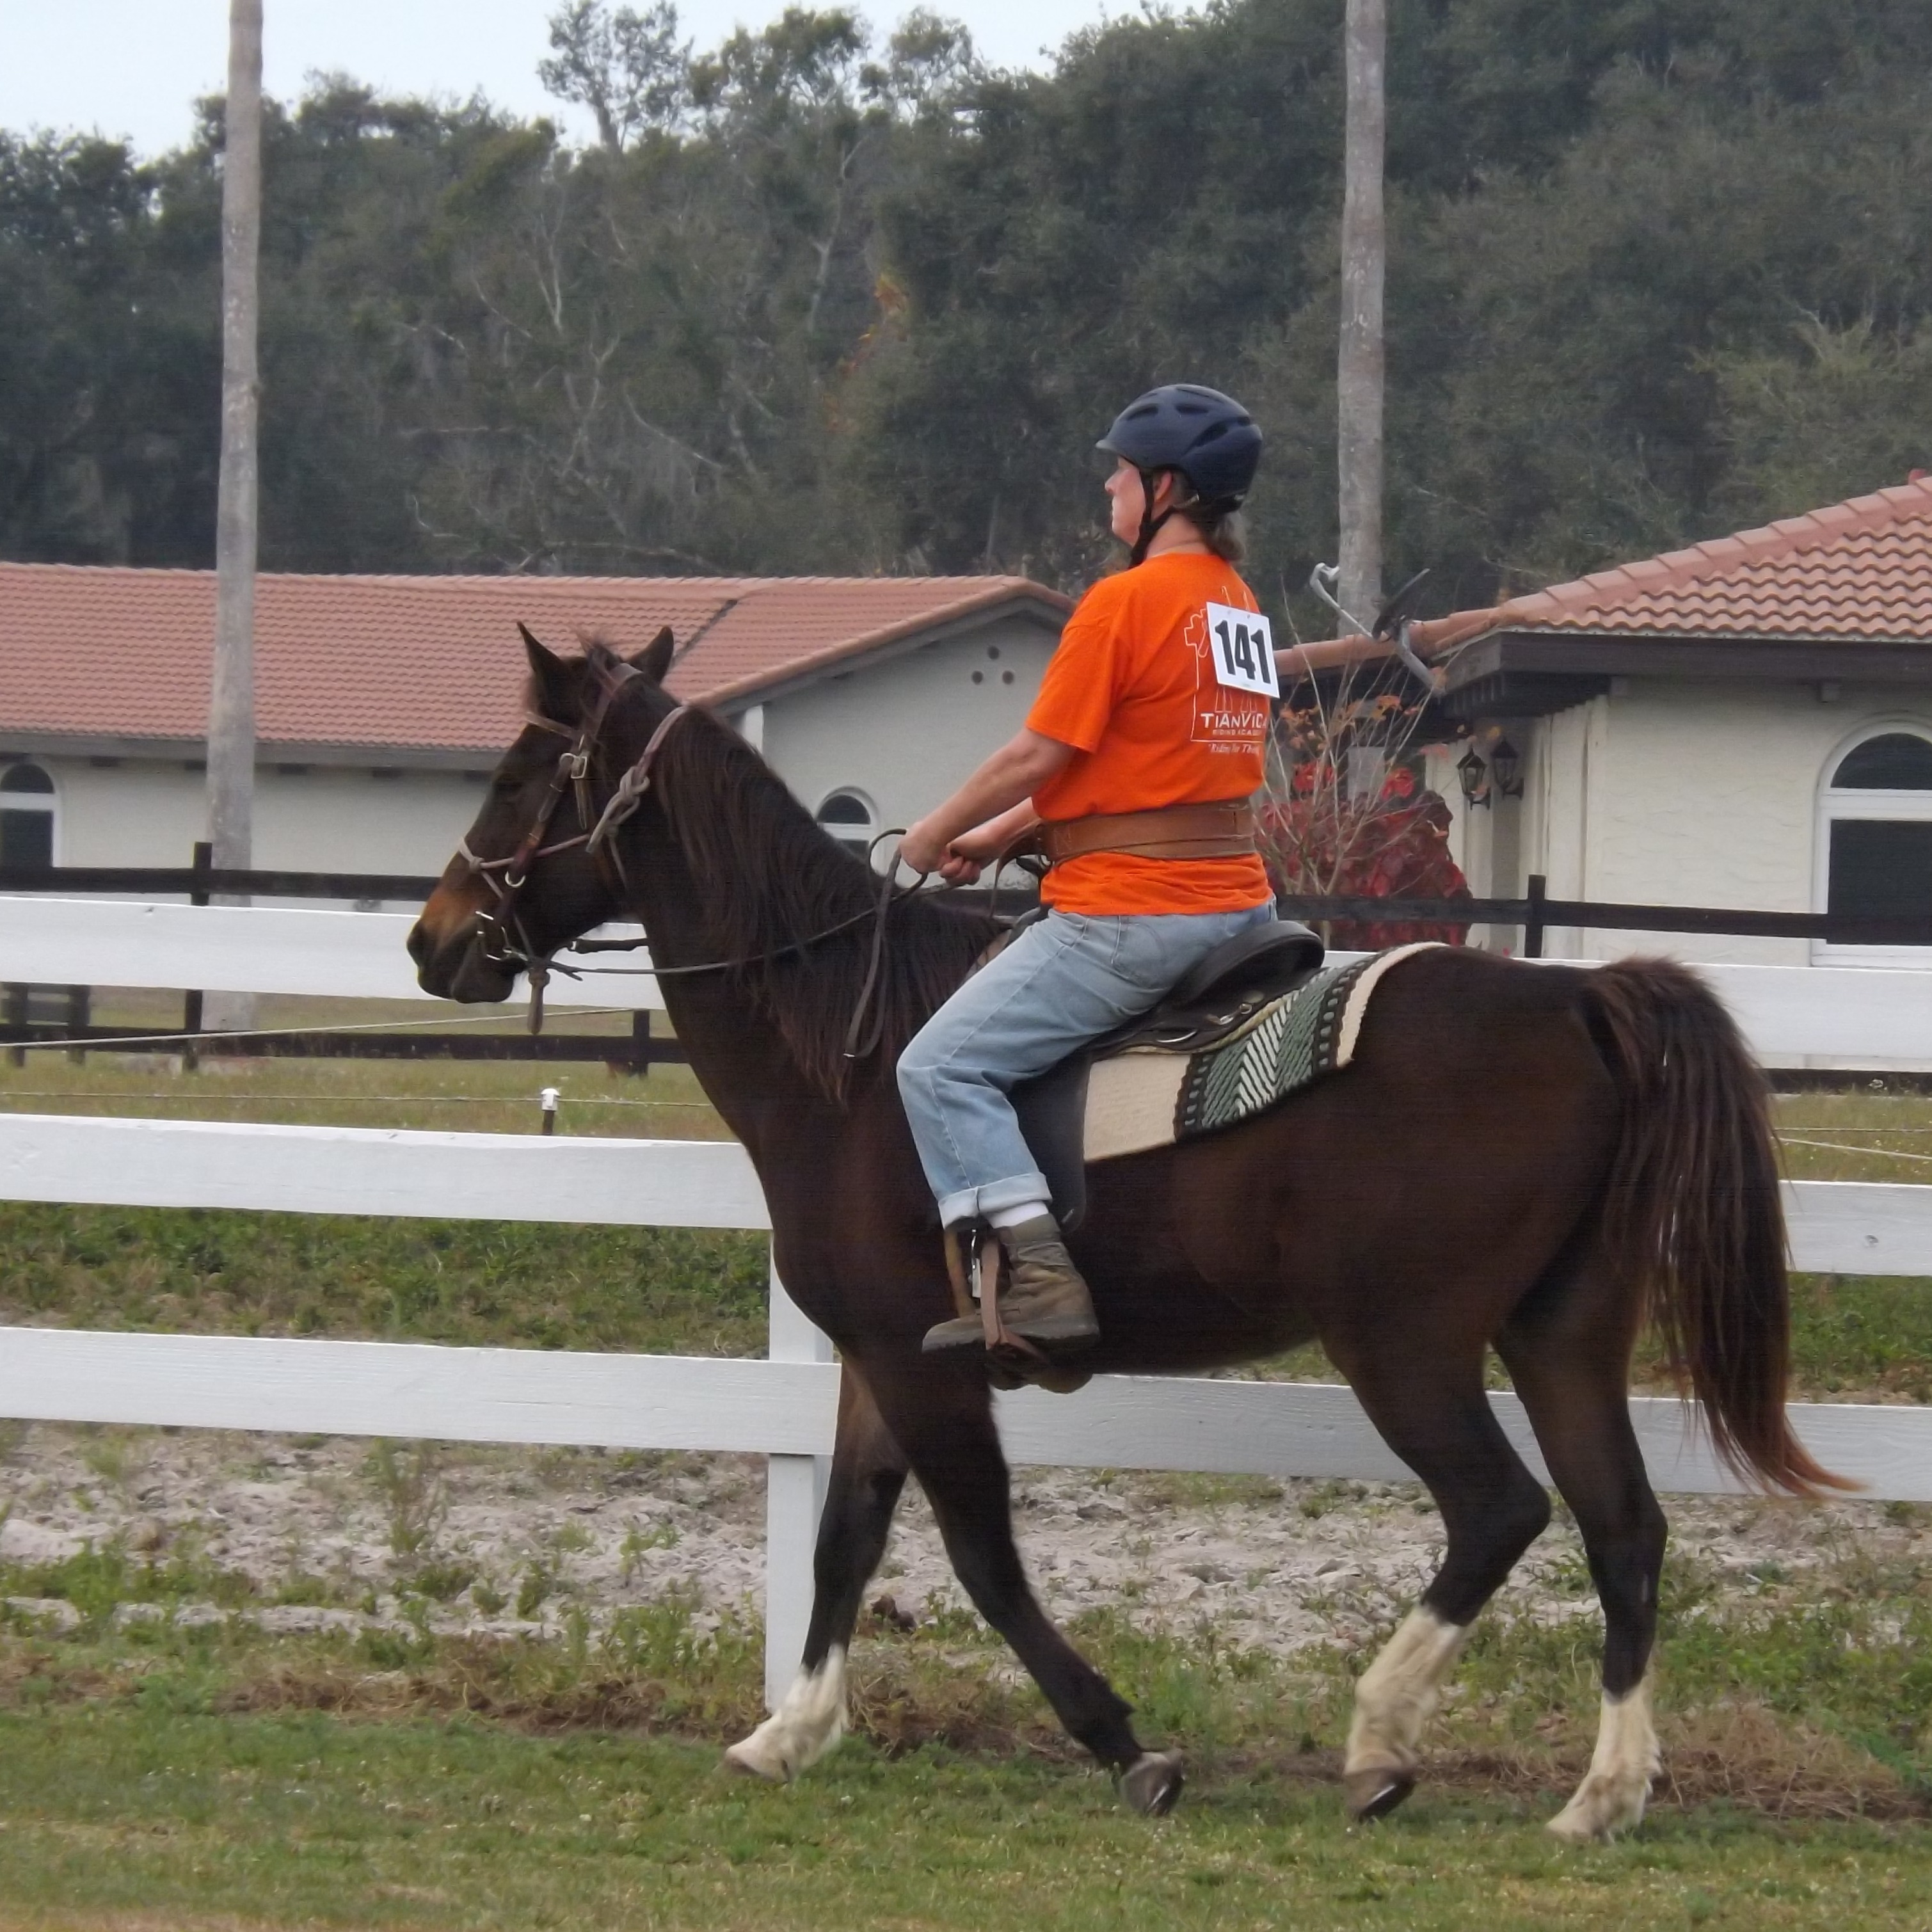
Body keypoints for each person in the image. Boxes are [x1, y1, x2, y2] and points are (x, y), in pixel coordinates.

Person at [897, 384, 1279, 1361]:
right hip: (1240, 903)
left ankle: (1041, 1279)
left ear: (1164, 488)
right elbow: (1143, 766)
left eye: (1120, 468)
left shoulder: (1122, 603)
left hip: (1132, 916)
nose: (1107, 484)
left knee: (940, 1065)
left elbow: (1039, 752)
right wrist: (1008, 836)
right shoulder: (1238, 609)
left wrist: (933, 827)